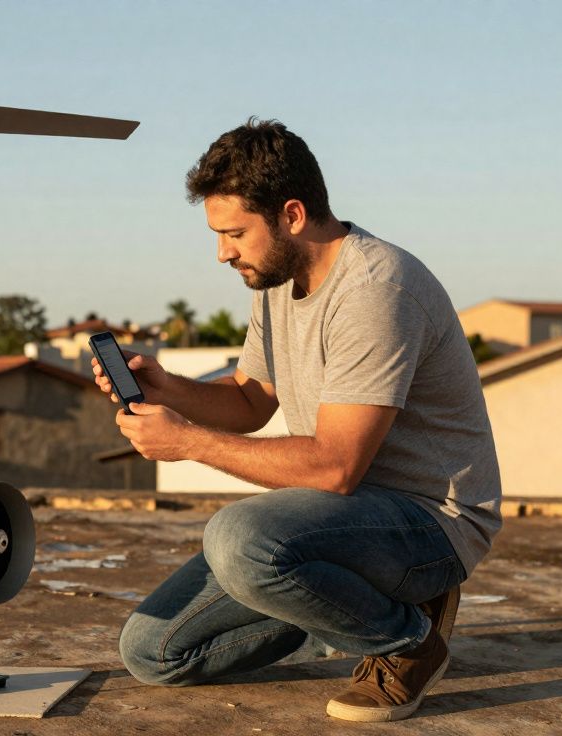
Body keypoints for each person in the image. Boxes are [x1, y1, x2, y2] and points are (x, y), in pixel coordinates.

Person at [91, 119, 501, 723]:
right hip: (339, 519)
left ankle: (408, 639)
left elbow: (336, 467)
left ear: (292, 214)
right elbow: (251, 400)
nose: (222, 252)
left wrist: (187, 443)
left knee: (240, 538)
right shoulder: (277, 282)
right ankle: (347, 613)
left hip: (428, 522)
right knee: (154, 651)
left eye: (235, 233)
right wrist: (166, 389)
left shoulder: (376, 289)